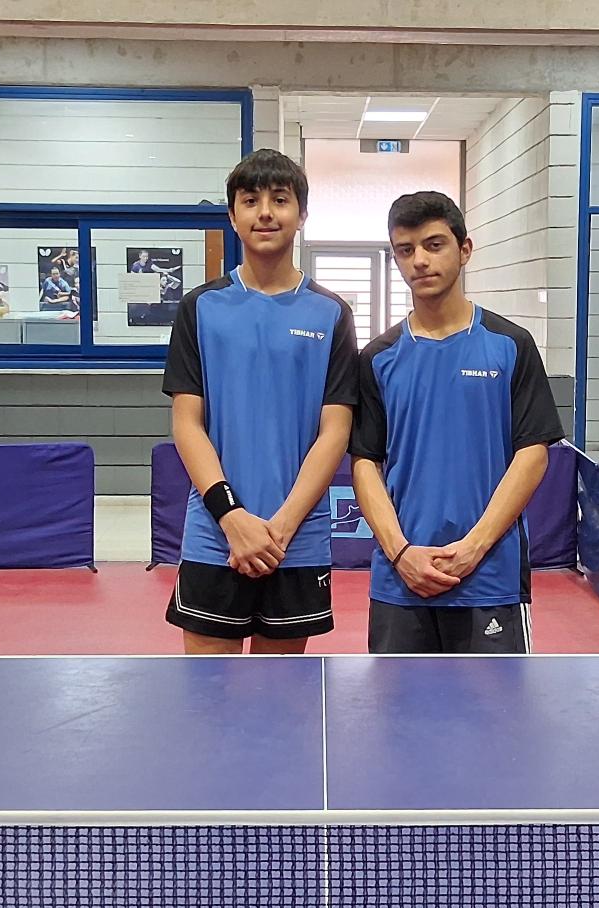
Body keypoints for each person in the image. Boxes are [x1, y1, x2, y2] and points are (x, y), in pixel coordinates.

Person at [161, 149, 358, 654]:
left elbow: (335, 431)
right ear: (233, 216)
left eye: (280, 200)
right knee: (208, 691)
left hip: (297, 541)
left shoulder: (332, 313)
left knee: (281, 694)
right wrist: (232, 519)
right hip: (214, 536)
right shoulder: (200, 307)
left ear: (302, 214)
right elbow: (187, 424)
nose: (265, 213)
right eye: (250, 201)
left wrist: (280, 530)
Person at [350, 191, 564, 653]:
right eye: (405, 250)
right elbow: (365, 462)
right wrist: (401, 553)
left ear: (464, 249)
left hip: (490, 579)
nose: (419, 261)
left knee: (493, 704)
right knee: (395, 704)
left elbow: (532, 455)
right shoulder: (377, 358)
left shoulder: (511, 345)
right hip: (401, 581)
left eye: (434, 245)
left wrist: (473, 548)